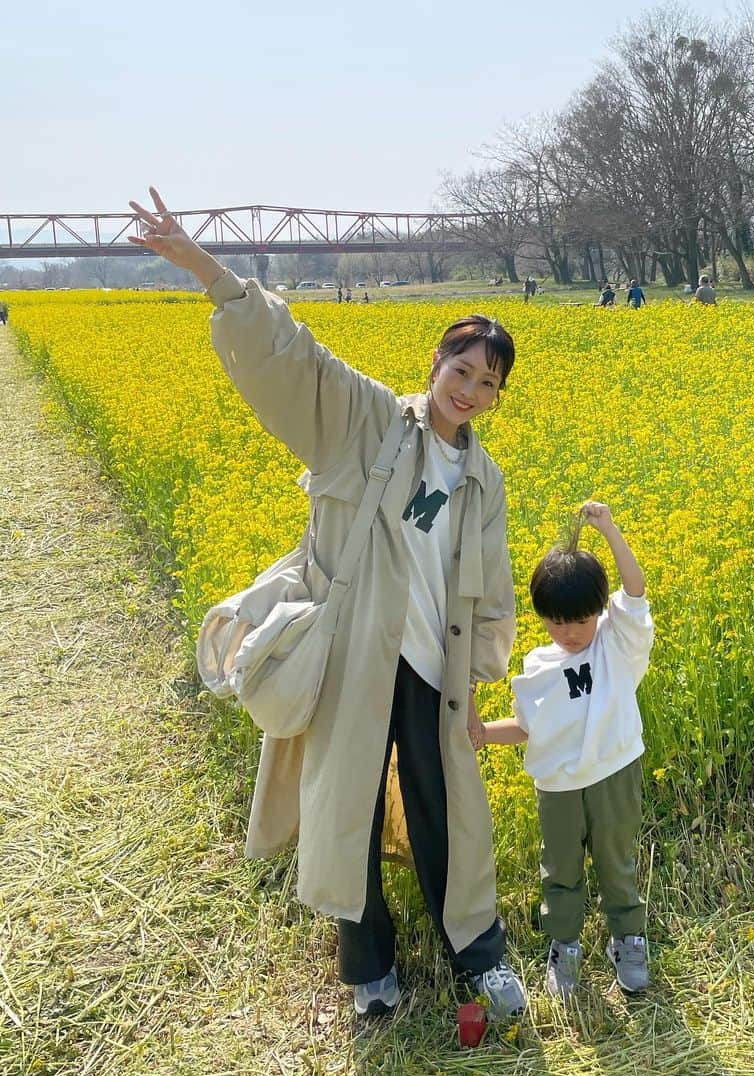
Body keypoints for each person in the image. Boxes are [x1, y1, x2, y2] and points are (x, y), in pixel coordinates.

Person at [126, 186, 527, 1020]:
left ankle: (476, 954)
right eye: (461, 371)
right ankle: (369, 971)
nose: (471, 389)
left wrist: (480, 673)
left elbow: (487, 579)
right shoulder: (373, 421)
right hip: (355, 656)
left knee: (444, 806)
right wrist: (207, 270)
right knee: (346, 808)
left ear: (496, 395)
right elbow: (294, 357)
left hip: (431, 665)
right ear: (435, 366)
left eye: (488, 383)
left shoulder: (483, 477)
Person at [476, 502, 654, 999]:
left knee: (617, 861)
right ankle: (566, 948)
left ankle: (629, 940)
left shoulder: (618, 645)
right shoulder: (536, 668)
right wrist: (482, 732)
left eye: (579, 620)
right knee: (560, 871)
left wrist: (610, 531)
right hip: (557, 787)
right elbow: (528, 727)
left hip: (613, 773)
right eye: (556, 622)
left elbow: (635, 592)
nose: (569, 632)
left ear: (599, 610)